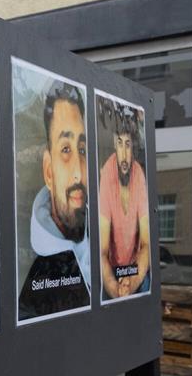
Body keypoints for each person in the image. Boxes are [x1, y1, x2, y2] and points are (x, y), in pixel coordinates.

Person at [18, 82, 91, 319]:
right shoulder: (29, 270)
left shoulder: (102, 232)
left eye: (82, 149)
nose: (79, 173)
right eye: (66, 150)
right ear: (48, 171)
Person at [99, 109, 150, 299]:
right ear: (114, 144)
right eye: (120, 144)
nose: (124, 154)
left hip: (135, 267)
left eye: (128, 145)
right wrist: (114, 287)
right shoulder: (106, 174)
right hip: (112, 269)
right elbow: (102, 250)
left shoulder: (139, 175)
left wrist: (132, 282)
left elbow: (146, 243)